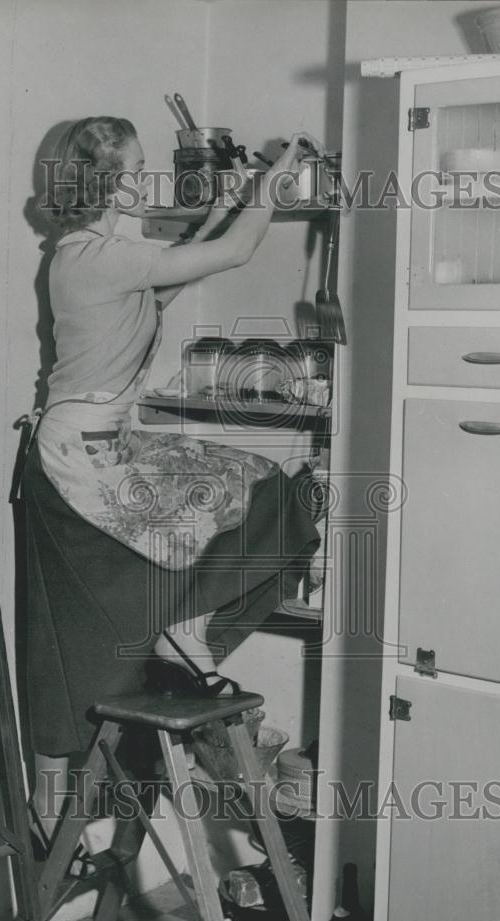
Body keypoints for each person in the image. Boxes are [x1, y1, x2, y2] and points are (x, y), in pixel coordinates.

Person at [22, 116, 323, 838]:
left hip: (101, 444)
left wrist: (236, 194)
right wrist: (276, 182)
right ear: (106, 180)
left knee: (258, 482)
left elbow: (164, 287)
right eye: (135, 166)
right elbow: (238, 250)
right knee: (257, 493)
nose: (142, 176)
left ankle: (182, 626)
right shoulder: (99, 258)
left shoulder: (89, 252)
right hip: (80, 461)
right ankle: (181, 631)